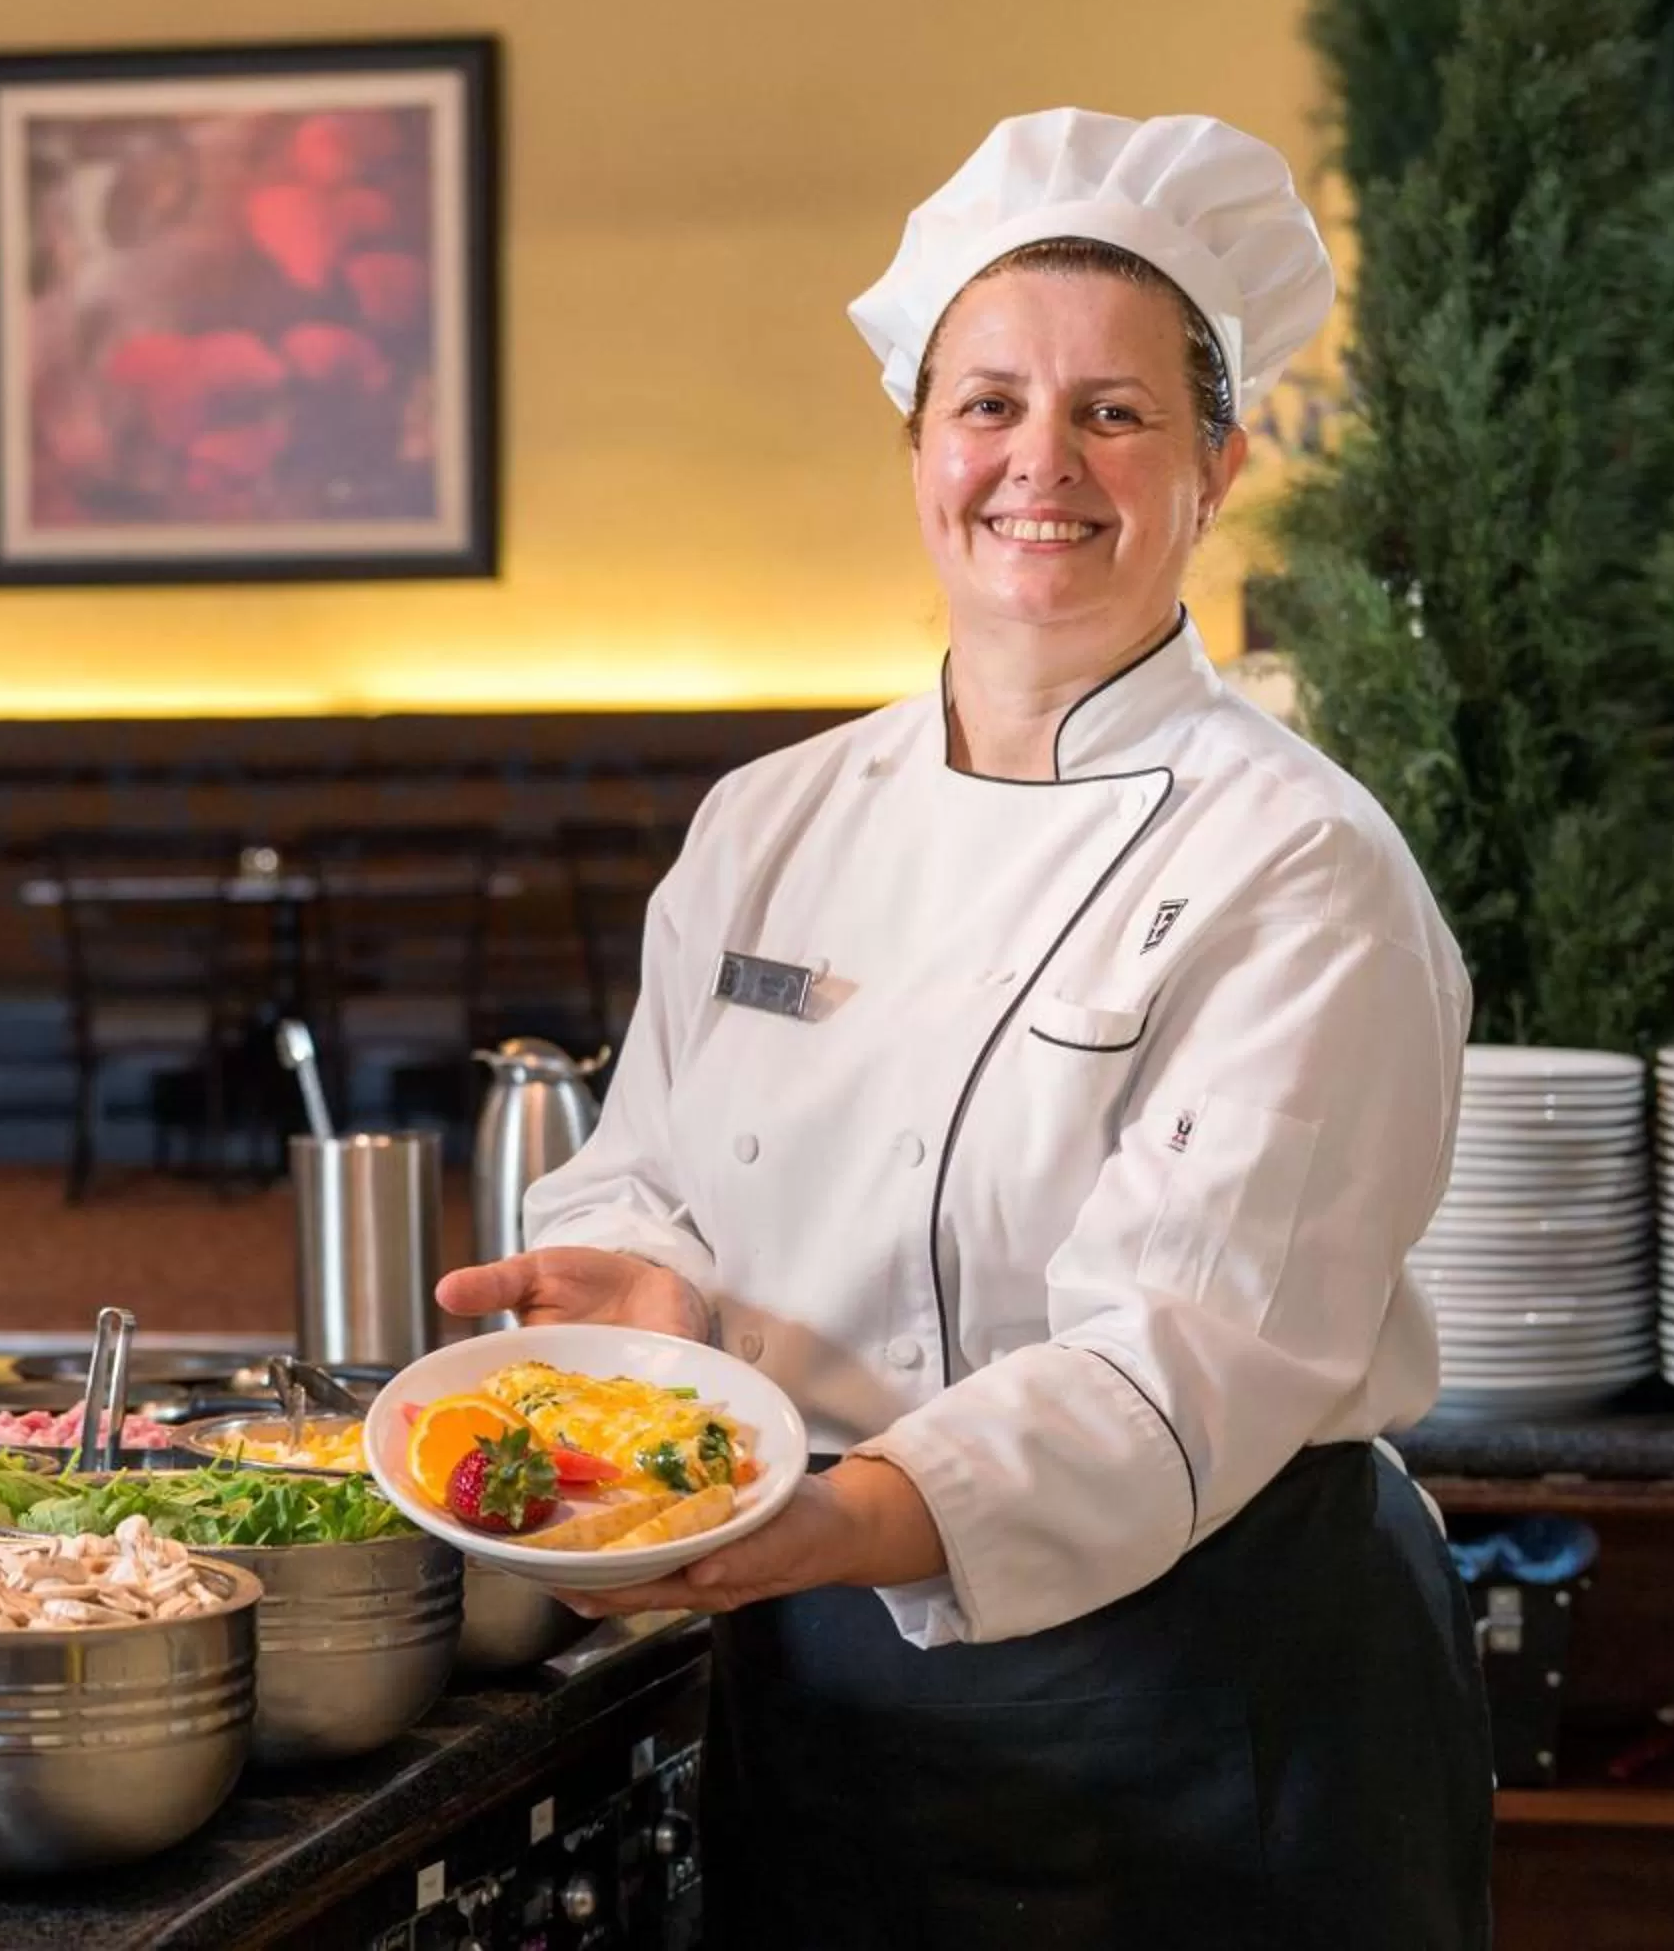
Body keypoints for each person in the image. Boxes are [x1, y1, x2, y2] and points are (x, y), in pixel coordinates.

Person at [437, 109, 1494, 1947]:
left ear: (1218, 462)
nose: (1042, 464)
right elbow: (652, 1168)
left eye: (1115, 411)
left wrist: (835, 1519)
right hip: (822, 1677)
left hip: (1204, 1696)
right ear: (918, 442)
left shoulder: (1302, 864)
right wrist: (647, 1301)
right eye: (990, 403)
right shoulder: (768, 822)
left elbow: (1182, 1359)